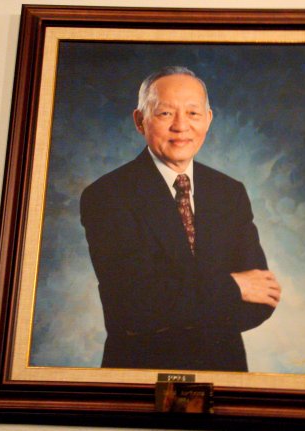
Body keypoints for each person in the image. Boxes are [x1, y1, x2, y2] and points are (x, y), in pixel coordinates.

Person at [80, 66, 281, 372]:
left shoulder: (229, 192)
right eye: (165, 114)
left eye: (193, 113)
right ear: (139, 120)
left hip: (223, 371)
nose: (181, 126)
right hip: (142, 374)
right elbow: (134, 306)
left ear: (208, 119)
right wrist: (232, 287)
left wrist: (176, 305)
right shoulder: (108, 195)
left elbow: (261, 298)